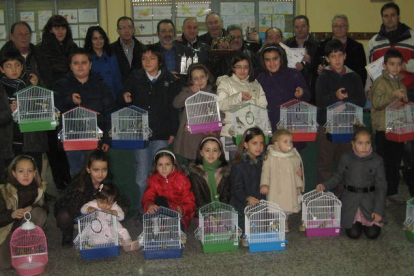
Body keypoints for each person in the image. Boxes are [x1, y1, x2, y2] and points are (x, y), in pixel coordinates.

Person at [118, 45, 178, 215]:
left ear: (159, 61)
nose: (147, 62)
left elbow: (173, 108)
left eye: (152, 58)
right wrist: (125, 97)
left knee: (162, 173)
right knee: (142, 176)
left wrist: (173, 131)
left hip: (161, 132)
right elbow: (122, 95)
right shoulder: (135, 77)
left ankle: (162, 209)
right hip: (140, 134)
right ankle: (142, 209)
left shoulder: (168, 78)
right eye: (144, 59)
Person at [316, 127, 387, 240]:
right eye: (360, 143)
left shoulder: (377, 160)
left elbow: (381, 187)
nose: (364, 147)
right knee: (353, 234)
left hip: (370, 201)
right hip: (351, 200)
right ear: (352, 143)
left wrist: (378, 211)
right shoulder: (346, 157)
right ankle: (356, 221)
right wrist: (325, 185)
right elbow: (338, 176)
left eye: (367, 143)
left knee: (373, 234)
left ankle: (367, 222)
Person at [54, 48, 115, 177]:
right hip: (71, 140)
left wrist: (107, 139)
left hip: (94, 139)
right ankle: (79, 197)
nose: (80, 66)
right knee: (77, 174)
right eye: (76, 63)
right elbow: (54, 108)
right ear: (70, 66)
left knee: (96, 175)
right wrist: (69, 100)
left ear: (90, 64)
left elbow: (108, 113)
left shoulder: (101, 85)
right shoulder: (61, 85)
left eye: (84, 62)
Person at [315, 39, 366, 183]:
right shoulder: (323, 77)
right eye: (333, 56)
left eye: (340, 55)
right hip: (327, 127)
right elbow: (319, 101)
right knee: (325, 163)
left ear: (345, 56)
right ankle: (327, 198)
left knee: (346, 164)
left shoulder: (354, 76)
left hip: (348, 126)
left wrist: (346, 103)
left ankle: (344, 198)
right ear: (327, 59)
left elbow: (362, 101)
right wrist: (335, 97)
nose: (337, 59)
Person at [54, 149, 129, 246]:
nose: (101, 174)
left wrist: (112, 210)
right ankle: (67, 233)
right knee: (63, 215)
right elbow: (69, 204)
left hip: (101, 214)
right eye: (96, 170)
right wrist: (88, 211)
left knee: (122, 208)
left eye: (104, 169)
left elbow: (120, 202)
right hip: (79, 212)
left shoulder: (108, 182)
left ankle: (107, 229)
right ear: (88, 169)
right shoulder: (79, 182)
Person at [36, 14, 74, 190]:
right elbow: (45, 77)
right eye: (56, 27)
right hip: (49, 101)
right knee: (52, 144)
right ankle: (59, 181)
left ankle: (70, 178)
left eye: (63, 27)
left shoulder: (72, 46)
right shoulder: (42, 49)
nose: (60, 31)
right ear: (50, 30)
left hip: (69, 101)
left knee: (68, 141)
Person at [370, 49, 409, 204]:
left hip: (397, 130)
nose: (396, 67)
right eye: (392, 64)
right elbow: (376, 103)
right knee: (383, 164)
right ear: (385, 65)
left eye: (399, 64)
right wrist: (392, 96)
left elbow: (404, 106)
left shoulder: (401, 83)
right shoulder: (380, 82)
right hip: (383, 129)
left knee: (394, 162)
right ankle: (381, 194)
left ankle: (392, 191)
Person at [0, 50, 48, 173]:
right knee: (11, 181)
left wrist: (37, 87)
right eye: (8, 66)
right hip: (8, 146)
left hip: (32, 143)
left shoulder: (31, 84)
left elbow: (46, 108)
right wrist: (10, 112)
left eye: (17, 65)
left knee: (33, 179)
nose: (14, 69)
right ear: (2, 69)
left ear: (22, 67)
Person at [0, 155, 47, 269]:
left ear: (35, 173)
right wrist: (11, 215)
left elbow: (45, 207)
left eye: (29, 171)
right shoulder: (4, 191)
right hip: (8, 231)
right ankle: (19, 250)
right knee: (3, 264)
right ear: (14, 173)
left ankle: (29, 245)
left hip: (26, 231)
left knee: (39, 213)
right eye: (21, 171)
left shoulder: (39, 189)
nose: (26, 175)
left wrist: (33, 206)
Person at [217, 53, 267, 158]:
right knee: (234, 166)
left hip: (251, 134)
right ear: (233, 68)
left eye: (246, 67)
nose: (242, 71)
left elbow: (263, 106)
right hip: (231, 133)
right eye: (239, 67)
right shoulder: (225, 82)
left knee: (252, 166)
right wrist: (239, 97)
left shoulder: (255, 83)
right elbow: (221, 104)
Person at [257, 44, 310, 133]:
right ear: (263, 61)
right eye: (267, 60)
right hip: (270, 124)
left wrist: (302, 93)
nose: (272, 63)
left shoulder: (294, 74)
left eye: (275, 59)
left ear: (281, 58)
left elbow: (308, 97)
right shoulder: (260, 78)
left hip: (292, 124)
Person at [260, 129, 304, 233]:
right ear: (276, 143)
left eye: (290, 141)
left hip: (289, 188)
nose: (289, 144)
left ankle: (284, 223)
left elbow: (297, 173)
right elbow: (265, 172)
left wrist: (299, 185)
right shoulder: (270, 156)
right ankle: (275, 224)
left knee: (287, 209)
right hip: (276, 188)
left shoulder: (294, 156)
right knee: (276, 208)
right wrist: (265, 184)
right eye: (285, 141)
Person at [142, 148, 196, 230]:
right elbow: (147, 197)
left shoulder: (182, 179)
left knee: (176, 226)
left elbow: (190, 201)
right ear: (156, 167)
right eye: (160, 165)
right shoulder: (153, 180)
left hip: (178, 215)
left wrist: (182, 209)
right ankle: (162, 224)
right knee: (160, 199)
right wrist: (149, 205)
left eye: (167, 164)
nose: (164, 168)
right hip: (162, 213)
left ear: (173, 165)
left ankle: (169, 226)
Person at [173, 63, 217, 161]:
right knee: (193, 167)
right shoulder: (187, 92)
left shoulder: (214, 94)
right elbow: (176, 104)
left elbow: (219, 114)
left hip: (208, 137)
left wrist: (214, 128)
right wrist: (189, 91)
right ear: (191, 80)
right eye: (196, 79)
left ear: (207, 77)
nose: (200, 81)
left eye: (202, 77)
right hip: (190, 138)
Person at [367, 2, 414, 92]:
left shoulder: (413, 37)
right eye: (386, 16)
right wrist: (369, 89)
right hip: (384, 93)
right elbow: (370, 71)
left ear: (398, 17)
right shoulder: (373, 43)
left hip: (410, 91)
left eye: (393, 15)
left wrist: (406, 66)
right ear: (382, 19)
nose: (389, 19)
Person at [230, 127, 266, 246]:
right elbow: (236, 188)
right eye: (254, 143)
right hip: (243, 204)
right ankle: (243, 233)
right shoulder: (238, 164)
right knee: (245, 227)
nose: (259, 147)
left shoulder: (265, 161)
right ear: (245, 144)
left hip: (260, 202)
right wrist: (247, 198)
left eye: (261, 143)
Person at [81, 180, 139, 252]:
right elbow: (82, 209)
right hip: (97, 226)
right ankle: (94, 244)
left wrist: (113, 212)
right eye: (102, 202)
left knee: (122, 231)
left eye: (109, 203)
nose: (105, 206)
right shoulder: (93, 204)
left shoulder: (114, 206)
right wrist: (88, 209)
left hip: (111, 225)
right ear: (97, 198)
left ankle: (127, 243)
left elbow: (122, 216)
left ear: (113, 200)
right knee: (92, 236)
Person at [316, 14, 367, 87]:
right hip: (328, 88)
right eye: (336, 26)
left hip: (351, 87)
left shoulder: (357, 47)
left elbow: (362, 74)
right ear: (332, 28)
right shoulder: (322, 46)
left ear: (347, 27)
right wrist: (318, 69)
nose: (339, 28)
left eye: (342, 25)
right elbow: (314, 68)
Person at [188, 137, 231, 210]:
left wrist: (220, 213)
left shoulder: (226, 172)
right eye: (207, 150)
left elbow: (226, 196)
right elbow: (198, 198)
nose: (211, 154)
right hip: (202, 213)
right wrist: (209, 215)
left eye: (215, 150)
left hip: (223, 213)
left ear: (220, 153)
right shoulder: (195, 173)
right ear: (201, 152)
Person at [285, 15, 319, 104]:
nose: (300, 29)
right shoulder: (287, 44)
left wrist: (311, 61)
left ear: (308, 27)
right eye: (297, 27)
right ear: (293, 29)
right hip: (291, 86)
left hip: (311, 86)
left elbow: (321, 68)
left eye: (303, 26)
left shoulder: (318, 44)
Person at [84, 26, 123, 99]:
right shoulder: (86, 59)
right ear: (90, 40)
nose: (99, 41)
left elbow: (117, 81)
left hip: (112, 97)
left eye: (101, 37)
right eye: (95, 38)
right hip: (93, 99)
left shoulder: (112, 57)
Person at [110, 16, 144, 84]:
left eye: (129, 27)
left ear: (133, 29)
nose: (126, 31)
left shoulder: (142, 49)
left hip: (139, 89)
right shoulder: (110, 49)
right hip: (119, 89)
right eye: (123, 28)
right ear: (118, 31)